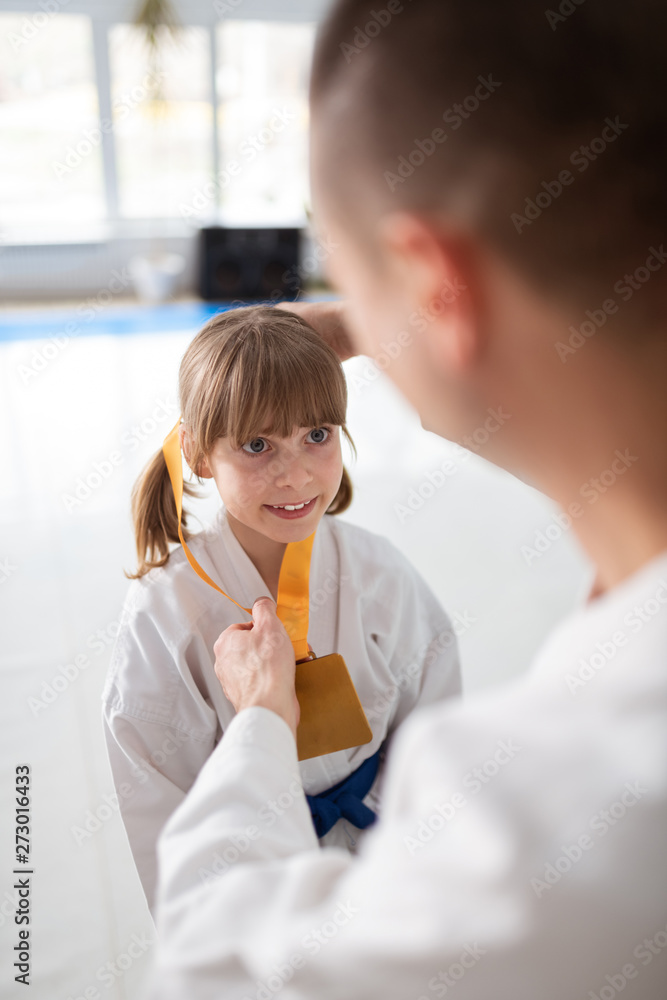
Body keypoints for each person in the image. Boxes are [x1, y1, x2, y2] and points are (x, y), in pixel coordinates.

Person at [145, 1, 667, 997]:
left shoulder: (545, 832)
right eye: (258, 443)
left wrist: (260, 725)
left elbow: (207, 967)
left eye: (348, 273)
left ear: (437, 289)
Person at [101, 304, 461, 914]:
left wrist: (418, 853)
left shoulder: (375, 571)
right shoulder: (164, 614)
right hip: (251, 884)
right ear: (197, 453)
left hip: (390, 855)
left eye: (317, 436)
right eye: (256, 444)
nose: (294, 475)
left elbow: (435, 719)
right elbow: (159, 800)